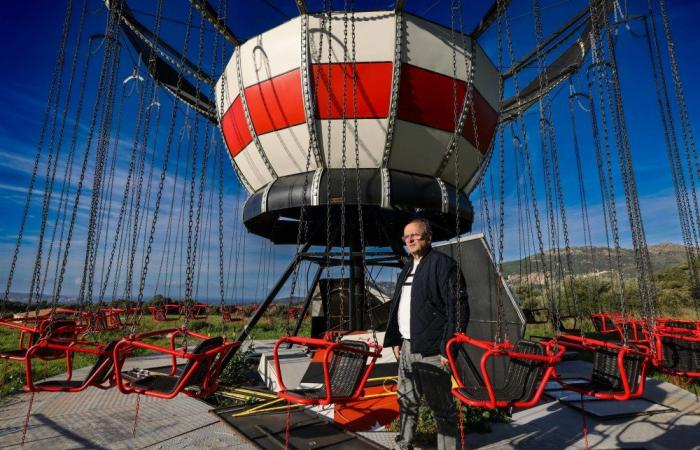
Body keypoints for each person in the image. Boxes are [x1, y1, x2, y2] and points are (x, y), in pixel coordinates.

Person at [384, 217, 468, 450]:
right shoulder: (407, 268)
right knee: (406, 400)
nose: (409, 239)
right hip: (408, 346)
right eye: (406, 236)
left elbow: (458, 309)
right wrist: (397, 339)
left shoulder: (444, 265)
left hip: (433, 350)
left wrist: (447, 348)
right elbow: (400, 305)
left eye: (415, 235)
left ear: (428, 238)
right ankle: (404, 443)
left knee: (441, 407)